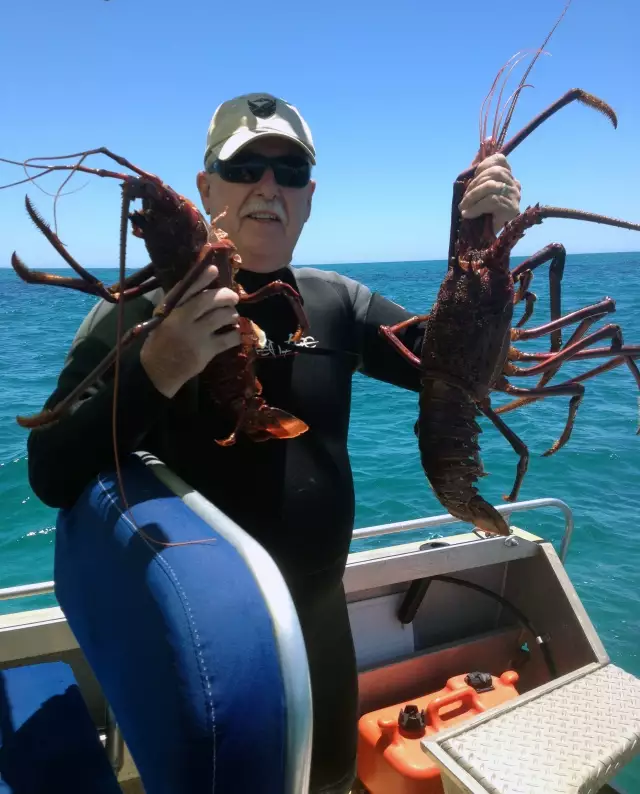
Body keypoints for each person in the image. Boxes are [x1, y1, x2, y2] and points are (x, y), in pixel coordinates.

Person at [26, 93, 521, 794]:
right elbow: (50, 473)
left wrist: (471, 237)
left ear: (309, 198)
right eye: (245, 166)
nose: (269, 185)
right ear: (205, 188)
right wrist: (157, 370)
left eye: (289, 170)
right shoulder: (137, 312)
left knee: (331, 779)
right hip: (202, 650)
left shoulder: (338, 304)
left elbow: (462, 374)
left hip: (319, 620)